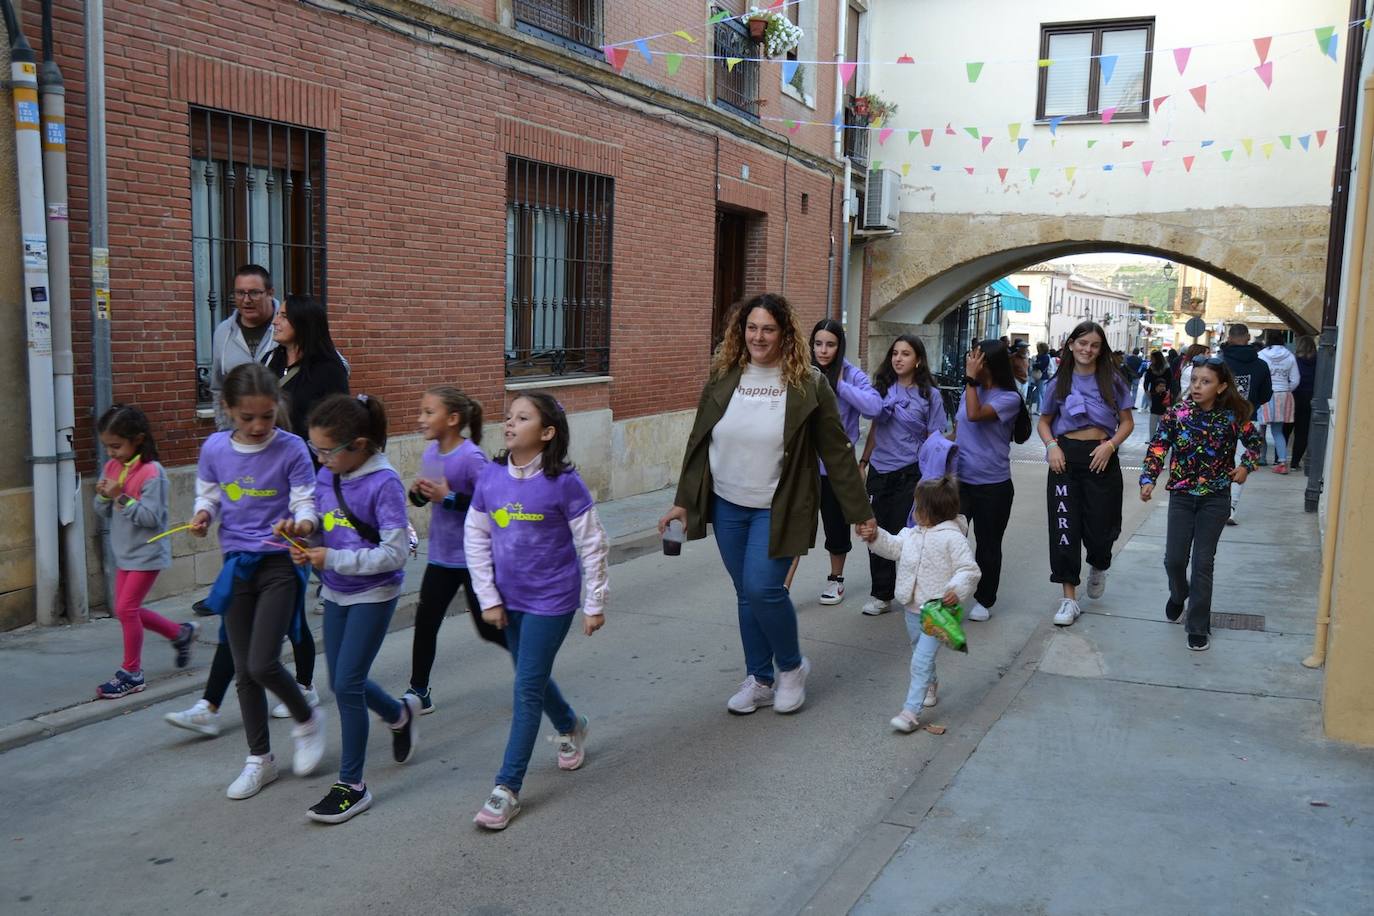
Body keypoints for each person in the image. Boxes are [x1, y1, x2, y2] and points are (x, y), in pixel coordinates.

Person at [660, 294, 874, 717]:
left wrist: (860, 513)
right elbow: (699, 443)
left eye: (768, 329)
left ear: (784, 334)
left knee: (763, 588)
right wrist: (683, 503)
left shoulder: (808, 384)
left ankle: (791, 668)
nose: (758, 336)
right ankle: (759, 679)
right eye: (752, 328)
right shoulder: (724, 378)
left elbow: (837, 452)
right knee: (746, 594)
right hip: (727, 505)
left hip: (779, 505)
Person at [466, 393, 609, 830]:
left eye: (522, 418)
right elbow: (476, 536)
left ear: (546, 433)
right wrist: (487, 597)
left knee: (525, 687)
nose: (509, 423)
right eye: (508, 416)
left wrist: (595, 601)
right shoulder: (491, 477)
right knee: (533, 675)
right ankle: (571, 725)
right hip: (510, 600)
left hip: (552, 600)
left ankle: (506, 788)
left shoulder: (564, 482)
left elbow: (592, 542)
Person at [187, 362, 326, 799]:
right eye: (248, 418)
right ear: (227, 410)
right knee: (244, 671)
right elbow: (208, 492)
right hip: (236, 564)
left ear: (276, 407)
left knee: (262, 661)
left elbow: (307, 501)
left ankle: (306, 719)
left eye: (266, 416)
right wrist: (204, 514)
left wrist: (302, 525)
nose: (259, 426)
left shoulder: (291, 449)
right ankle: (259, 759)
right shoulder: (214, 448)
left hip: (280, 563)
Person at [289, 393, 420, 824]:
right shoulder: (330, 473)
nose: (320, 458)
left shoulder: (383, 484)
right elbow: (325, 529)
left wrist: (333, 559)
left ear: (358, 445)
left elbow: (394, 553)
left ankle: (353, 785)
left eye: (327, 450)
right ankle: (399, 715)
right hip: (335, 589)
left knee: (346, 683)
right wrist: (304, 540)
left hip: (375, 592)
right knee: (344, 681)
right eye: (315, 449)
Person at [1140, 356, 1263, 651]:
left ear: (1221, 387)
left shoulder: (1235, 415)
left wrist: (1245, 466)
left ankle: (1197, 626)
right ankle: (1178, 594)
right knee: (1174, 561)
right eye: (1194, 380)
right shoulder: (1177, 414)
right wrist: (1148, 478)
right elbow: (1158, 447)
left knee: (1203, 563)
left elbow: (1255, 444)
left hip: (1215, 499)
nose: (1197, 386)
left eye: (1205, 382)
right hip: (1182, 498)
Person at [407, 386, 504, 714]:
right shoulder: (432, 453)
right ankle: (419, 691)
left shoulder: (471, 457)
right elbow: (432, 496)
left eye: (427, 413)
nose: (420, 419)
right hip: (441, 556)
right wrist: (419, 493)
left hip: (474, 558)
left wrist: (447, 497)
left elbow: (492, 504)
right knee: (425, 623)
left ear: (452, 419)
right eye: (421, 412)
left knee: (489, 629)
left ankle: (532, 665)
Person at [860, 471, 980, 733]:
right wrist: (875, 536)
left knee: (920, 660)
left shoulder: (953, 538)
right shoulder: (911, 534)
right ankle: (931, 683)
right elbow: (892, 546)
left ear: (931, 510)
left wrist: (955, 590)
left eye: (917, 506)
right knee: (919, 653)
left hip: (938, 612)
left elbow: (968, 570)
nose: (913, 510)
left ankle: (910, 711)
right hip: (911, 608)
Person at [92, 405, 197, 699]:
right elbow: (102, 510)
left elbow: (151, 519)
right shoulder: (113, 467)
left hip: (147, 553)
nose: (111, 453)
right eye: (107, 447)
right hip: (123, 551)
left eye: (116, 446)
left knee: (126, 609)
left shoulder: (153, 473)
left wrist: (120, 496)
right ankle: (180, 633)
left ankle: (132, 673)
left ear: (137, 439)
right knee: (126, 610)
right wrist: (102, 496)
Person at [1037, 321, 1135, 627]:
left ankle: (1099, 562)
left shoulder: (1113, 380)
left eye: (1094, 345)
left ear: (1100, 349)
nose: (1087, 350)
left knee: (1101, 525)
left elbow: (1127, 422)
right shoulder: (1059, 383)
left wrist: (1111, 446)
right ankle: (1068, 599)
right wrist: (1052, 445)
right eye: (1082, 343)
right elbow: (1044, 422)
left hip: (1102, 456)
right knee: (1065, 528)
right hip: (1064, 458)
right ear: (1070, 345)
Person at [783, 320, 881, 605]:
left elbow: (875, 408)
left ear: (840, 347)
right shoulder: (802, 371)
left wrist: (837, 384)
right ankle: (783, 587)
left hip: (836, 468)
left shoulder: (852, 375)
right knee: (795, 527)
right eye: (818, 344)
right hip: (803, 465)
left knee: (836, 527)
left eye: (830, 344)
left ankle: (835, 579)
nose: (823, 351)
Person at [859, 335, 947, 616]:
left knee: (909, 535)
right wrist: (864, 461)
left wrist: (934, 476)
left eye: (905, 354)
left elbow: (935, 437)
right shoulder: (881, 390)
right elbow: (874, 429)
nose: (898, 358)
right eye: (895, 353)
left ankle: (914, 592)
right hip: (880, 470)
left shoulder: (930, 395)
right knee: (876, 530)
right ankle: (881, 594)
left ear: (918, 359)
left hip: (912, 472)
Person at [955, 341, 1031, 621]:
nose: (971, 361)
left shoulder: (1008, 398)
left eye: (977, 358)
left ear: (989, 364)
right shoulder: (971, 389)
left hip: (993, 485)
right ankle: (951, 595)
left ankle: (984, 599)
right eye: (971, 356)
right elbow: (961, 426)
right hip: (961, 481)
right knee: (952, 540)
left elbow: (975, 416)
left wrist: (970, 380)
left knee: (987, 545)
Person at [265, 294, 350, 448]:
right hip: (272, 457)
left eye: (283, 316)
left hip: (312, 462)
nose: (274, 322)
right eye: (277, 315)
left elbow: (340, 423)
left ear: (303, 323)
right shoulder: (269, 360)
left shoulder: (330, 370)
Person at [211, 265, 280, 429]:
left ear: (270, 293)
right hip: (239, 437)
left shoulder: (289, 325)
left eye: (254, 293)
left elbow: (337, 365)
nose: (246, 300)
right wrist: (224, 430)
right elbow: (218, 387)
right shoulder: (223, 332)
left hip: (281, 435)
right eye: (240, 293)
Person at [1220, 323, 1272, 525]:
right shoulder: (1261, 366)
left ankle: (1219, 503)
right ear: (1248, 337)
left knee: (1220, 460)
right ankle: (1231, 507)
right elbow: (1267, 395)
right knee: (1242, 462)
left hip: (1220, 419)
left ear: (1229, 337)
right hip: (1247, 419)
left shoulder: (1220, 364)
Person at [1258, 331, 1299, 475]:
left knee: (1260, 428)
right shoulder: (1290, 356)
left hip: (1265, 394)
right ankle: (1282, 462)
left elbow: (1259, 376)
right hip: (1282, 394)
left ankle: (1258, 457)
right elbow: (1295, 379)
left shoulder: (1262, 355)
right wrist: (1286, 389)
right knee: (1277, 431)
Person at [1290, 335, 1318, 470]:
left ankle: (1280, 458)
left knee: (1286, 428)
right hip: (1309, 398)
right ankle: (1295, 462)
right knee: (1302, 432)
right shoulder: (1318, 361)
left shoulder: (1294, 360)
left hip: (1293, 396)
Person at [1143, 350, 1177, 438]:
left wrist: (1168, 392)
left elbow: (1170, 382)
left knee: (1162, 415)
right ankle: (1152, 437)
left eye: (1152, 358)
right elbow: (1146, 380)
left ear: (1157, 358)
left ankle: (1162, 436)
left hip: (1164, 395)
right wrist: (1147, 390)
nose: (1151, 360)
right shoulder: (1151, 368)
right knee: (1154, 415)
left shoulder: (1166, 368)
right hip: (1153, 394)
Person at [1030, 342, 1052, 414]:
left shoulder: (1045, 357)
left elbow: (1041, 366)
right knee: (1040, 392)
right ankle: (1040, 409)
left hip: (1042, 377)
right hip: (1040, 376)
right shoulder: (1041, 356)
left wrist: (1035, 364)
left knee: (1041, 393)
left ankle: (1040, 409)